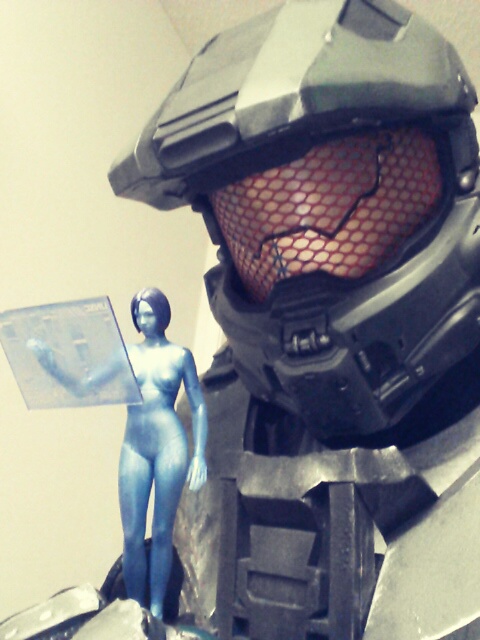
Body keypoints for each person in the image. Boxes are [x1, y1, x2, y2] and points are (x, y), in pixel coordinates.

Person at [29, 287, 208, 622]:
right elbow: (84, 386)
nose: (143, 320)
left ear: (162, 314)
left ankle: (157, 609)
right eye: (139, 314)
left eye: (149, 313)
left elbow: (198, 405)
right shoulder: (127, 355)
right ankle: (134, 607)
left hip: (170, 442)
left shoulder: (180, 355)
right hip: (134, 444)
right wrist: (51, 364)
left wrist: (199, 455)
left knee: (163, 530)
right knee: (131, 536)